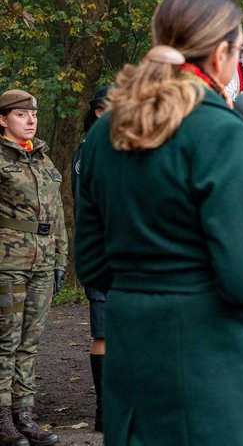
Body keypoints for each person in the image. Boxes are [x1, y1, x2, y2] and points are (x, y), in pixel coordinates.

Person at [74, 0, 243, 445]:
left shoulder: (105, 133)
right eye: (240, 50)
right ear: (220, 54)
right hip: (210, 360)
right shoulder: (218, 131)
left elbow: (93, 265)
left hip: (133, 349)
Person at [0, 89, 66, 446]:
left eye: (33, 115)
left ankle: (23, 415)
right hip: (8, 263)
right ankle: (2, 418)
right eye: (21, 114)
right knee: (5, 341)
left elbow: (56, 217)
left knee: (30, 342)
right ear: (2, 119)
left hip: (42, 263)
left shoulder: (42, 159)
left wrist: (60, 260)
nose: (30, 120)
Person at [71, 84, 110, 432]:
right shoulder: (88, 152)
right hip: (101, 251)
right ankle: (104, 408)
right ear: (99, 112)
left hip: (129, 254)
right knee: (104, 333)